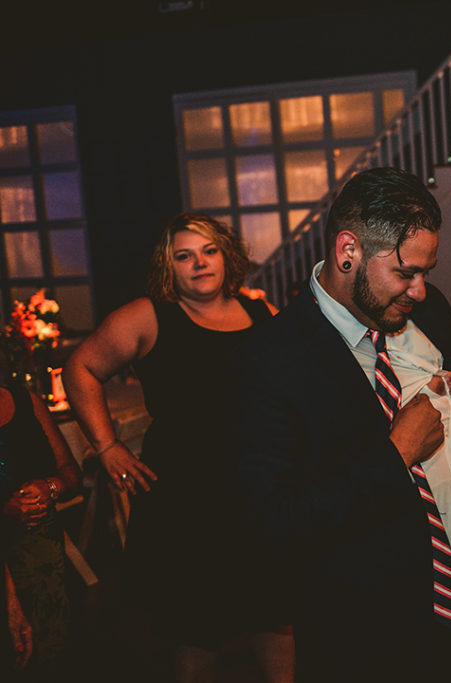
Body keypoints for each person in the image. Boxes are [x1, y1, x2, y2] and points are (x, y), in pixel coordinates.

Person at [228, 167, 451, 682]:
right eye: (406, 273)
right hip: (389, 638)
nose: (420, 290)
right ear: (347, 250)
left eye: (427, 271)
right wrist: (395, 453)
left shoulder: (426, 308)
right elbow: (273, 528)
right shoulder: (269, 361)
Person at [63, 213, 291, 682]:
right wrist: (107, 447)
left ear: (227, 256)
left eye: (208, 251)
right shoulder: (149, 316)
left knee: (276, 612)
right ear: (169, 267)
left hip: (260, 490)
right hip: (186, 499)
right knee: (196, 627)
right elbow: (80, 368)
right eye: (184, 256)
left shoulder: (261, 314)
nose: (199, 263)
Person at [0, 377, 80, 680]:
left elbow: (72, 474)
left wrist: (51, 486)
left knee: (52, 661)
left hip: (47, 570)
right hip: (8, 572)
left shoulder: (26, 401)